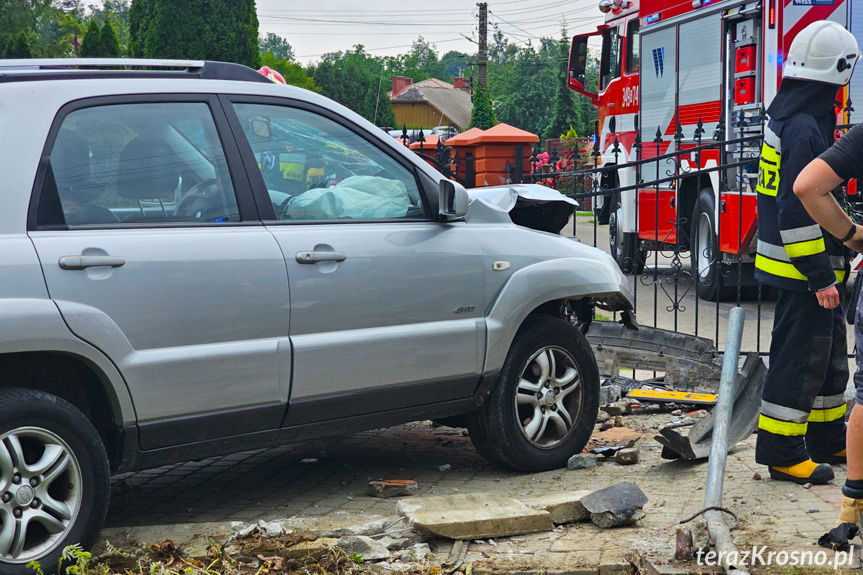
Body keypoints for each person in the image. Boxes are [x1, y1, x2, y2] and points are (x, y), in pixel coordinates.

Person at [754, 20, 859, 484]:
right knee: (799, 359)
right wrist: (819, 276)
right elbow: (798, 205)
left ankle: (824, 438)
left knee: (826, 353)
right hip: (803, 268)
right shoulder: (803, 128)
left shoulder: (789, 116)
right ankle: (782, 452)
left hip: (799, 264)